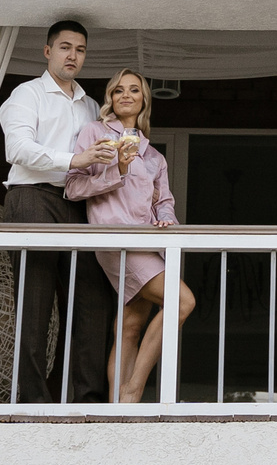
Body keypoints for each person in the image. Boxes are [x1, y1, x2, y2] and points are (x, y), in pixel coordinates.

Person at [0, 20, 112, 403]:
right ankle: (31, 400)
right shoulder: (27, 94)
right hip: (32, 198)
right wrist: (75, 159)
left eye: (79, 49)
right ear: (48, 52)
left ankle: (86, 398)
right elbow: (18, 149)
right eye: (64, 47)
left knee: (90, 302)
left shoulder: (92, 105)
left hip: (79, 203)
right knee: (36, 300)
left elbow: (98, 161)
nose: (72, 55)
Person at [66, 68, 195, 403]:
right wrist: (118, 170)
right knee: (182, 301)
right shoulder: (93, 133)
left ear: (143, 101)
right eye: (118, 90)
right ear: (110, 98)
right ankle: (133, 389)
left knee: (130, 326)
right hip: (116, 240)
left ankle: (116, 409)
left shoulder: (153, 156)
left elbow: (164, 202)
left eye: (134, 90)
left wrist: (166, 220)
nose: (125, 95)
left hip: (149, 242)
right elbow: (74, 187)